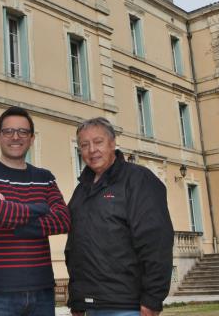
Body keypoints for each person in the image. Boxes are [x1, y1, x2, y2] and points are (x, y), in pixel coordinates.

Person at [65, 117, 174, 316]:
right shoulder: (81, 191)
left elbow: (156, 241)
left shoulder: (138, 179)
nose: (92, 150)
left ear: (113, 143)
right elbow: (74, 247)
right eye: (84, 145)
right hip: (90, 306)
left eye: (98, 142)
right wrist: (77, 299)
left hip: (127, 306)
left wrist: (152, 299)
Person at [0, 106, 71, 316]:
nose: (15, 137)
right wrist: (41, 208)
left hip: (41, 290)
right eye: (8, 131)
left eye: (23, 132)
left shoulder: (45, 177)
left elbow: (63, 220)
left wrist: (17, 224)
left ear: (32, 138)